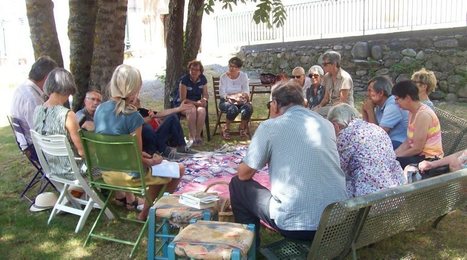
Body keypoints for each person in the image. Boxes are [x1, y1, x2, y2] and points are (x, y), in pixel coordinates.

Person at [229, 81, 348, 246]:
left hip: (297, 225)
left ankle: (250, 249)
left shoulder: (270, 126)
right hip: (336, 220)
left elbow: (243, 174)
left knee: (237, 185)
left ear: (275, 104)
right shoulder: (326, 124)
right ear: (303, 102)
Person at [94, 64, 184, 220]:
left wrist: (143, 157)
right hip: (130, 176)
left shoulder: (100, 109)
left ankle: (146, 213)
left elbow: (122, 147)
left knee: (159, 169)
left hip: (107, 173)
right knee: (178, 169)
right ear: (134, 88)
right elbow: (138, 160)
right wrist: (153, 161)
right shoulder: (132, 115)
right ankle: (149, 213)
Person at [328, 103, 405, 197]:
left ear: (336, 125)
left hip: (369, 197)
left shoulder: (345, 134)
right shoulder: (376, 128)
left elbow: (337, 169)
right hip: (397, 190)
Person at [32, 68, 83, 180]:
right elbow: (83, 152)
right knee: (109, 166)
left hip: (52, 170)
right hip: (75, 172)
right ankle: (115, 196)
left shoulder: (37, 111)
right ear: (68, 87)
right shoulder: (67, 115)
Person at [392, 80, 444, 169]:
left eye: (397, 99)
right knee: (391, 148)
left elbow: (417, 148)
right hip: (418, 156)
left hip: (428, 160)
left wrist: (395, 157)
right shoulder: (412, 112)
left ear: (407, 98)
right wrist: (394, 154)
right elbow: (408, 141)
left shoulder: (423, 115)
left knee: (393, 162)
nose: (395, 102)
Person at [10, 56, 58, 150]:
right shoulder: (32, 98)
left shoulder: (22, 87)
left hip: (29, 142)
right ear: (47, 77)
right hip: (36, 147)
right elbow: (42, 132)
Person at [361, 76, 408, 149]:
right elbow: (366, 130)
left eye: (370, 91)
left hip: (400, 143)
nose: (367, 94)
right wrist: (364, 111)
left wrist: (370, 111)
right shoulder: (380, 105)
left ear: (380, 93)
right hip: (388, 141)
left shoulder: (393, 105)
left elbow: (378, 135)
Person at [219, 57, 253, 140]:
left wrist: (240, 97)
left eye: (234, 67)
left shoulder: (243, 76)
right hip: (226, 101)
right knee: (233, 109)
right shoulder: (223, 77)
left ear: (239, 68)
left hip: (240, 100)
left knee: (248, 108)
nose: (231, 68)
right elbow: (222, 93)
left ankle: (242, 128)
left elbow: (246, 91)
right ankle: (226, 128)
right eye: (230, 66)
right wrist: (231, 97)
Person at [178, 60, 208, 146]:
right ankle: (192, 137)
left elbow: (205, 94)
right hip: (185, 104)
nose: (194, 71)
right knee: (192, 110)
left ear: (200, 71)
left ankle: (198, 136)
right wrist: (197, 103)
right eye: (192, 69)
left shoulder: (203, 79)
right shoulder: (184, 80)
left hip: (197, 103)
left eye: (196, 70)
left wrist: (204, 100)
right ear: (189, 70)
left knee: (202, 111)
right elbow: (183, 99)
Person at [317, 51, 354, 117]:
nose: (323, 66)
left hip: (344, 108)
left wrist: (324, 110)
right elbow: (326, 98)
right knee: (313, 112)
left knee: (316, 114)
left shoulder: (345, 78)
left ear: (334, 64)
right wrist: (320, 106)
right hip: (332, 106)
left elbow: (342, 101)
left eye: (325, 64)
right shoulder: (327, 77)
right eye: (323, 64)